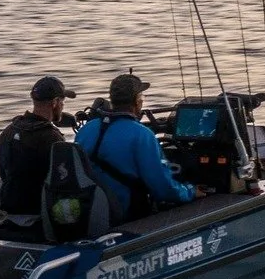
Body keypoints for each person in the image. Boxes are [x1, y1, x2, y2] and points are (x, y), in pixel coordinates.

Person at [75, 73, 201, 222]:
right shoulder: (142, 135)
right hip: (126, 217)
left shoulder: (86, 130)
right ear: (137, 101)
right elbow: (163, 188)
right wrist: (190, 191)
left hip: (90, 212)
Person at [0, 76, 77, 228]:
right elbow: (65, 180)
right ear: (54, 103)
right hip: (39, 213)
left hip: (11, 209)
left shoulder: (9, 131)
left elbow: (2, 172)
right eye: (62, 102)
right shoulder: (51, 137)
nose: (62, 106)